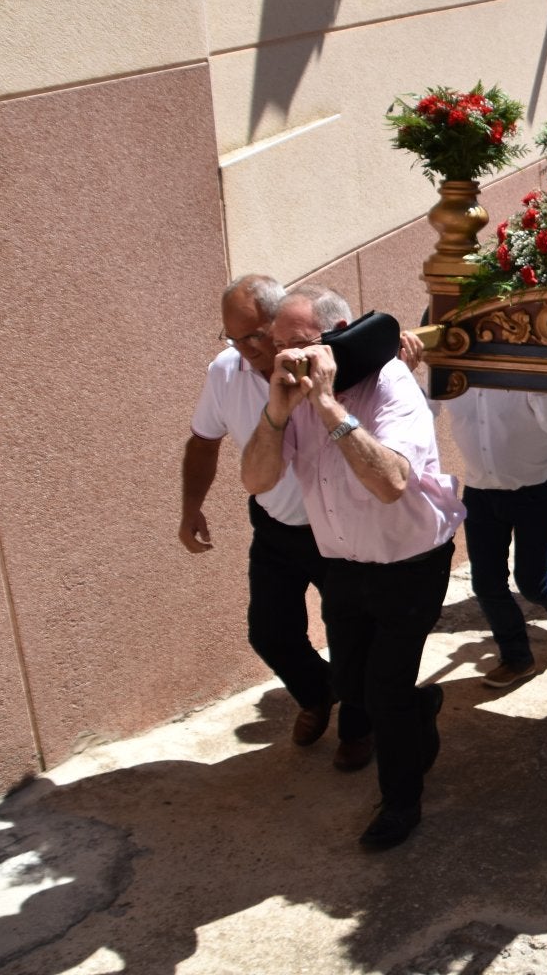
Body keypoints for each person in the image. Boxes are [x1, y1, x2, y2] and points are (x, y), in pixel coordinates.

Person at [242, 285, 463, 850]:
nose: (285, 357)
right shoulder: (289, 395)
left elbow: (391, 482)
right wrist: (277, 412)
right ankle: (420, 709)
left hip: (410, 562)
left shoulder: (391, 385)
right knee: (350, 685)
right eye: (278, 346)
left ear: (338, 335)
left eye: (298, 344)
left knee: (383, 691)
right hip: (342, 561)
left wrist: (328, 407)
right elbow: (257, 480)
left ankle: (401, 804)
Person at [183, 275, 368, 767]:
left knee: (351, 635)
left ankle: (359, 727)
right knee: (269, 632)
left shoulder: (329, 365)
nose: (245, 349)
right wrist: (191, 506)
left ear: (281, 324)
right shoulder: (225, 372)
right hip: (275, 526)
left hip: (339, 530)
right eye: (233, 338)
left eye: (254, 336)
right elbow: (204, 440)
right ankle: (317, 692)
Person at [444, 389, 547, 689]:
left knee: (533, 582)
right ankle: (516, 657)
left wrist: (535, 385)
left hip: (535, 490)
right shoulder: (452, 370)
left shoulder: (530, 369)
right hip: (480, 491)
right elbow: (420, 405)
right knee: (486, 584)